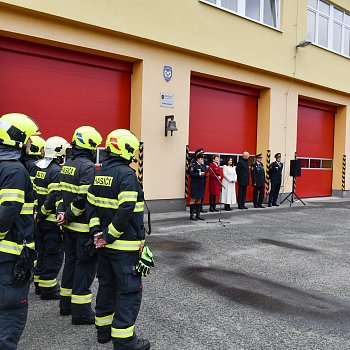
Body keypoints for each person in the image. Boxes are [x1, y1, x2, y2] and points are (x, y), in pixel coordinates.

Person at [86, 129, 152, 350]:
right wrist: (107, 236)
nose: (134, 154)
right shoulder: (127, 175)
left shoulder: (99, 173)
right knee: (128, 291)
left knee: (106, 286)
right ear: (124, 149)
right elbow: (125, 211)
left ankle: (103, 332)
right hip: (124, 248)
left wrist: (98, 233)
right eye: (132, 150)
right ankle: (124, 341)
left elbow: (91, 207)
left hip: (104, 247)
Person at [0, 113, 39, 349]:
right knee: (11, 310)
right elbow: (7, 213)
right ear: (16, 139)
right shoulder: (14, 171)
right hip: (11, 254)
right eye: (28, 139)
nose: (30, 145)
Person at [57, 126, 102, 325]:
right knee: (84, 268)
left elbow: (61, 192)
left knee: (71, 264)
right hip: (82, 228)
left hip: (68, 228)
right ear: (90, 146)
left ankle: (65, 305)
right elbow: (82, 199)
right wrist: (69, 215)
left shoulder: (68, 164)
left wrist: (63, 215)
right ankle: (81, 313)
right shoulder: (88, 167)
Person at [33, 136, 70, 300]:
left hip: (39, 222)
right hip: (49, 223)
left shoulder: (40, 169)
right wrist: (42, 214)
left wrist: (37, 215)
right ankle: (48, 289)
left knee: (41, 253)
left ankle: (39, 285)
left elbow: (36, 195)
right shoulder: (56, 171)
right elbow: (52, 198)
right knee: (52, 256)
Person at [189, 152, 206, 220]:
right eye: (201, 159)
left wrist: (206, 175)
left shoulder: (203, 166)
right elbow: (191, 174)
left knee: (199, 199)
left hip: (201, 185)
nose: (202, 160)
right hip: (195, 185)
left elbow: (204, 173)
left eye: (203, 159)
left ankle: (198, 214)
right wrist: (199, 174)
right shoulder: (193, 165)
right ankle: (192, 215)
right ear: (198, 159)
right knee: (193, 199)